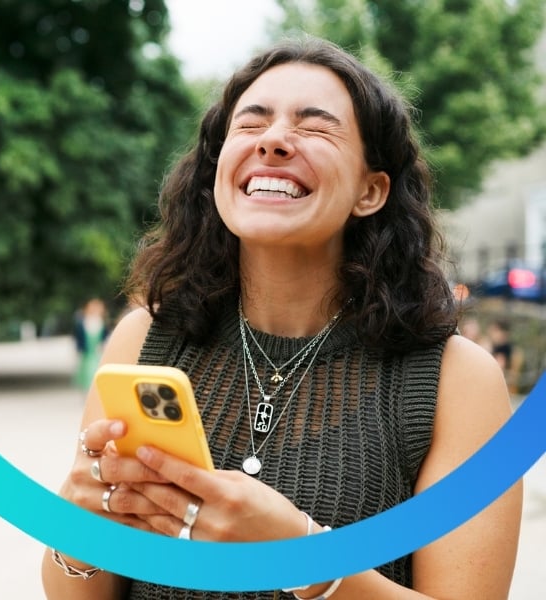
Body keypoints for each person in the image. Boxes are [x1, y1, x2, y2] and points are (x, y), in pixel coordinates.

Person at [41, 36, 521, 599]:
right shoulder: (144, 340)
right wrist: (80, 528)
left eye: (314, 126)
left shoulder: (455, 382)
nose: (273, 141)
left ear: (371, 191)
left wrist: (301, 558)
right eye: (251, 123)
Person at [72, 298, 110, 393]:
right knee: (87, 372)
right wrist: (79, 349)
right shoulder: (83, 322)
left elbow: (104, 337)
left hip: (98, 351)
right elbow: (79, 337)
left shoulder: (102, 322)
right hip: (87, 352)